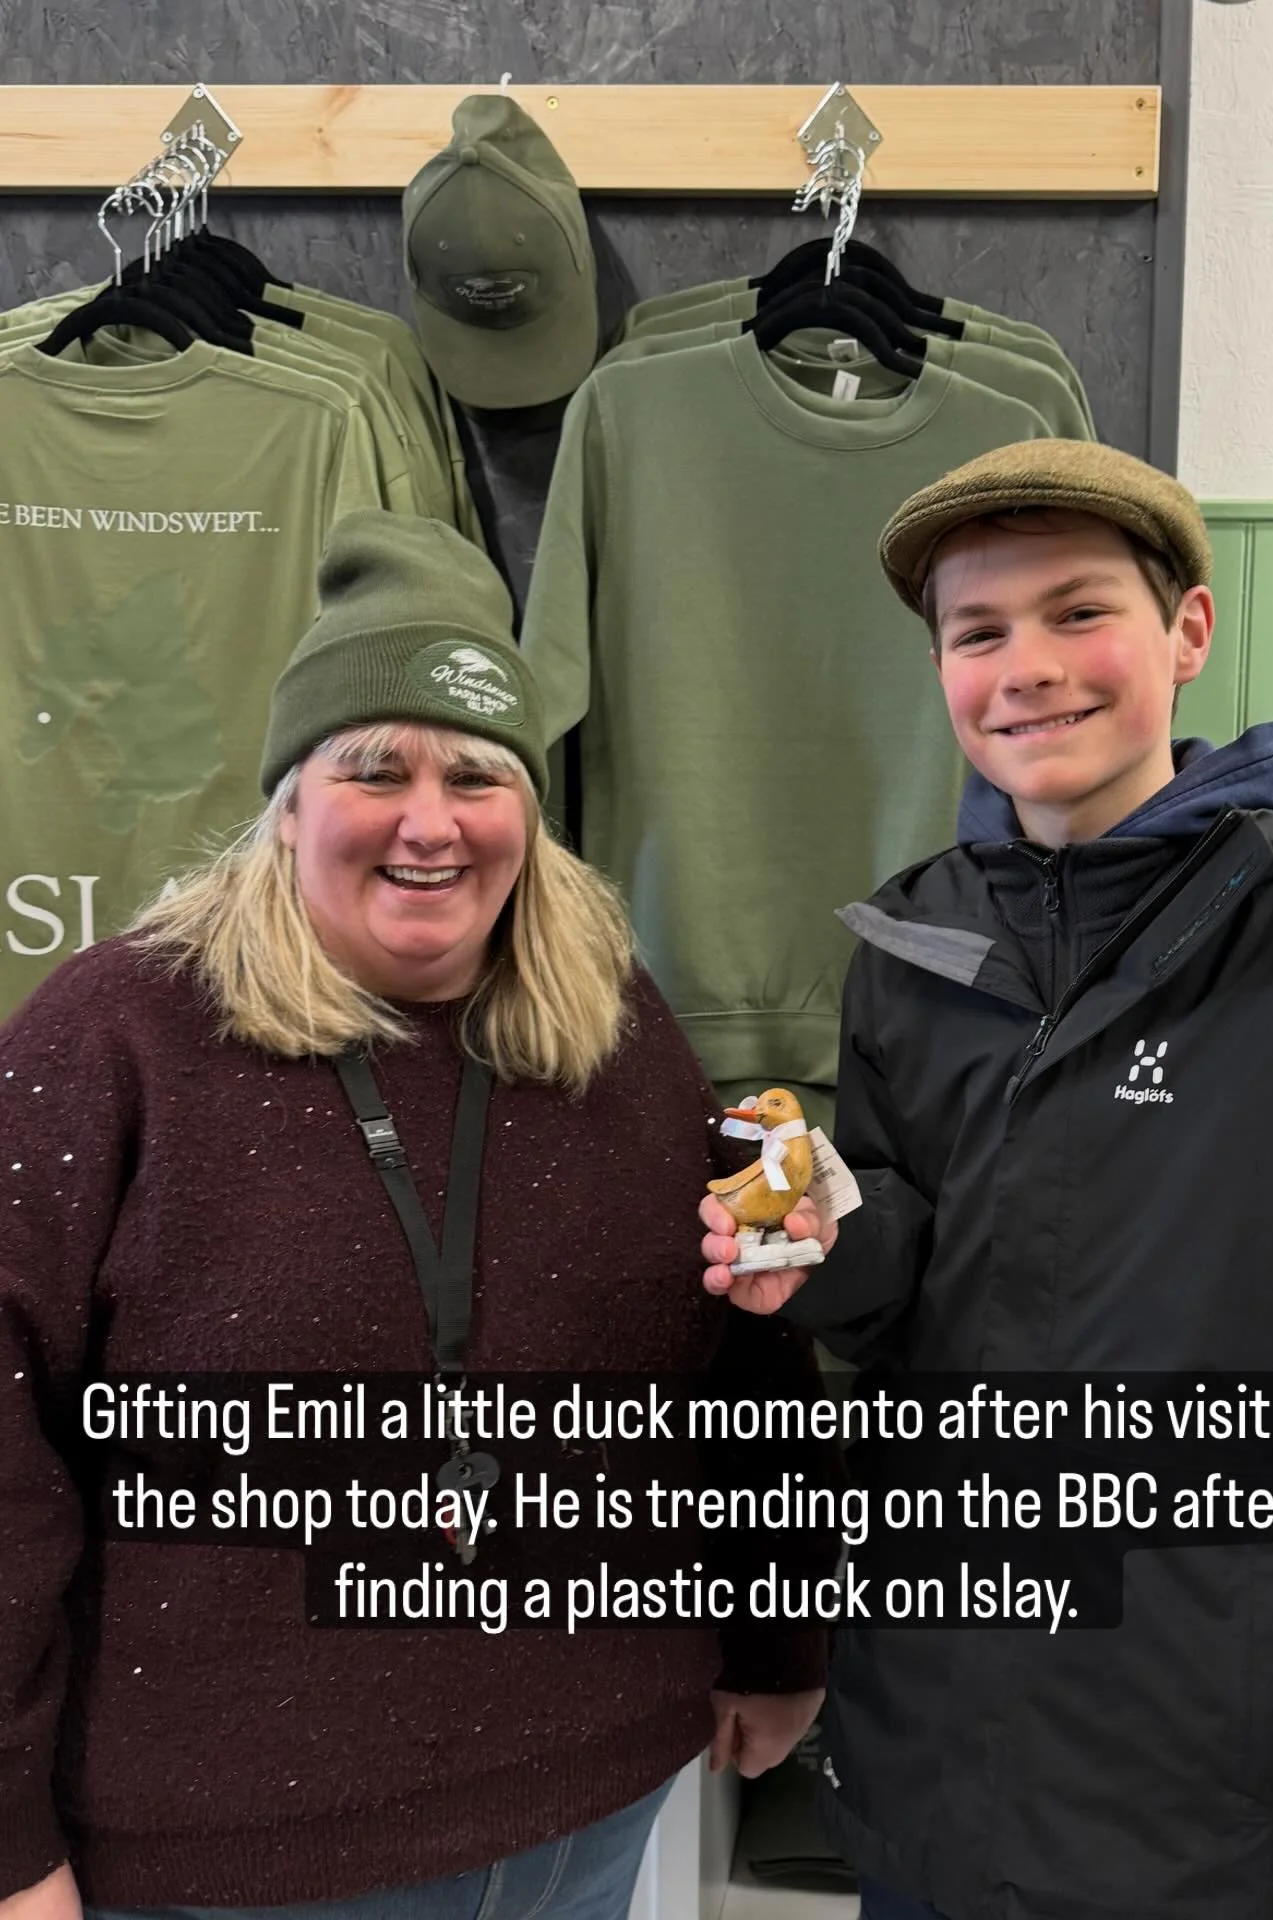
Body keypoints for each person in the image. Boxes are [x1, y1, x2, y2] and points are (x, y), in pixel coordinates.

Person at [0, 512, 828, 1920]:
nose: (430, 819)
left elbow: (734, 1350)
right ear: (289, 801)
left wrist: (776, 1630)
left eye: (476, 773)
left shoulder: (615, 1027)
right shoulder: (116, 1038)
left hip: (594, 1785)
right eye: (373, 769)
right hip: (244, 1853)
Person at [700, 441, 1273, 1920]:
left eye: (1078, 612)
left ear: (1189, 633)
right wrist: (829, 1256)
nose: (1027, 668)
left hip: (1203, 1790)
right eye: (979, 634)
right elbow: (920, 1278)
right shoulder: (908, 945)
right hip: (932, 1756)